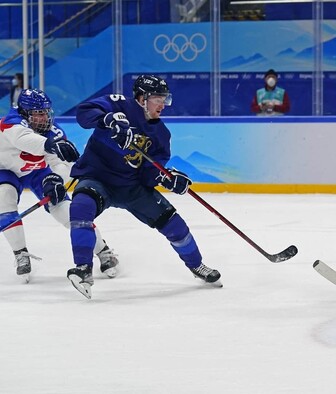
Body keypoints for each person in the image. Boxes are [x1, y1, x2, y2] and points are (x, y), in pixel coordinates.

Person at [66, 74, 221, 299]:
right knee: (80, 207)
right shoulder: (118, 104)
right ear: (141, 98)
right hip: (98, 178)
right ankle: (82, 268)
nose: (163, 104)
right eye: (158, 98)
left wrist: (167, 178)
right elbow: (83, 113)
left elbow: (149, 175)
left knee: (174, 224)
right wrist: (108, 119)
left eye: (165, 99)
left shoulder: (161, 135)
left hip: (132, 188)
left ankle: (197, 265)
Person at [0, 88, 120, 283]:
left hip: (37, 172)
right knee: (4, 196)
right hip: (5, 169)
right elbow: (23, 140)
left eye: (46, 112)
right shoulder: (10, 123)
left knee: (65, 210)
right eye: (38, 114)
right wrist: (50, 145)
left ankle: (103, 250)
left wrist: (57, 180)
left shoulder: (53, 131)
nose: (44, 118)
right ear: (24, 113)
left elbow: (61, 163)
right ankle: (20, 253)